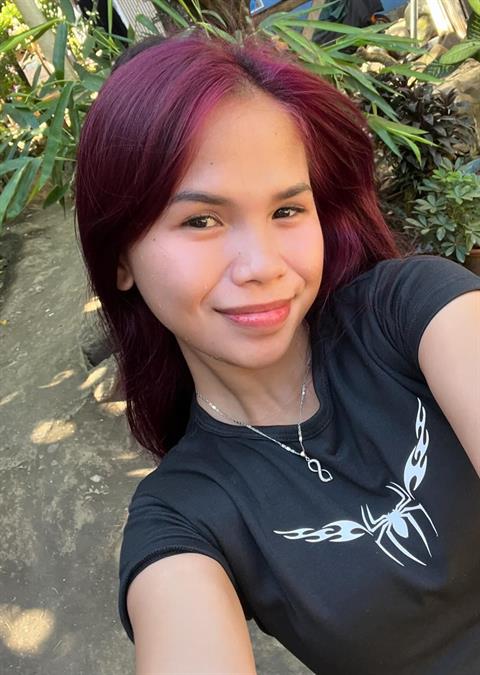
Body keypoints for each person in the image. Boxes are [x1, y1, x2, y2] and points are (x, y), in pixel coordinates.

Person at [74, 28, 480, 675]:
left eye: (287, 210)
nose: (262, 265)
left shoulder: (412, 312)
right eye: (201, 220)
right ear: (120, 256)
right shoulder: (184, 515)